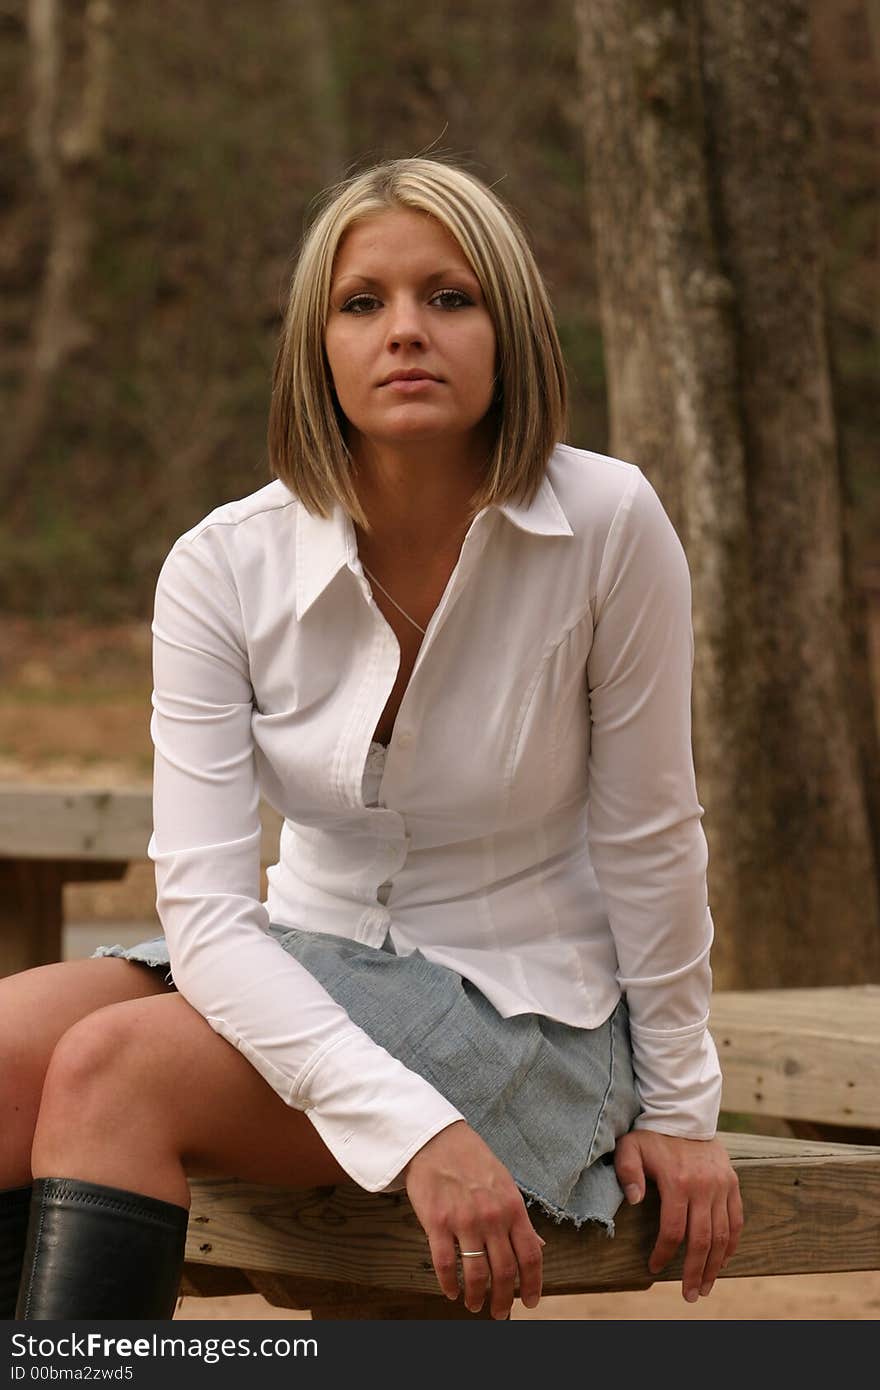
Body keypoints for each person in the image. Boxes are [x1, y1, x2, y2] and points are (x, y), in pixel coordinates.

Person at [1, 156, 742, 1323]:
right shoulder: (222, 565)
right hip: (305, 952)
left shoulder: (608, 525)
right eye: (363, 303)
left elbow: (651, 835)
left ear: (510, 330)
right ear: (318, 344)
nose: (406, 331)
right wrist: (410, 1128)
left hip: (525, 1002)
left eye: (449, 297)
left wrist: (685, 1111)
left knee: (113, 1075)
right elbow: (204, 909)